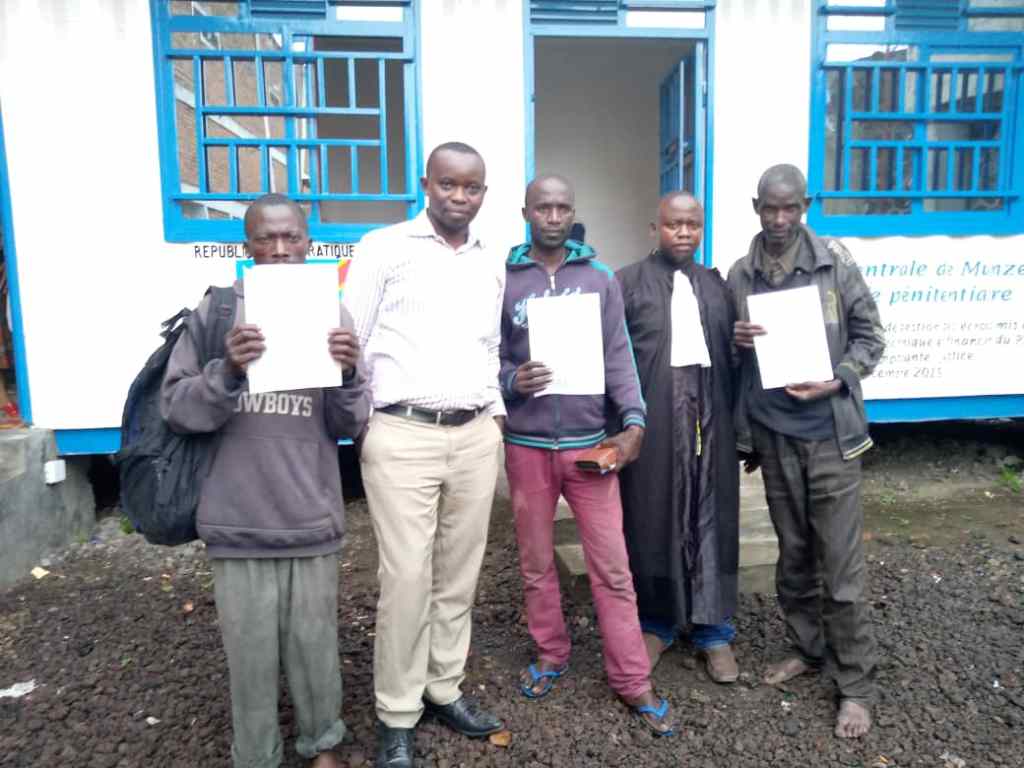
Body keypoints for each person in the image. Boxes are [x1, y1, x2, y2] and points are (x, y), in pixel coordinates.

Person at [161, 193, 370, 768]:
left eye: (290, 237)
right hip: (238, 519)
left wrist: (349, 374)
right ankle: (256, 755)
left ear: (309, 242)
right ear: (246, 245)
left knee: (315, 646)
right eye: (265, 238)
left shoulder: (333, 314)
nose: (279, 249)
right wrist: (228, 370)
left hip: (309, 515)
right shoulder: (218, 313)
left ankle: (323, 744)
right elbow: (177, 409)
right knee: (249, 658)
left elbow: (350, 423)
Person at [343, 142, 506, 768]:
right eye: (448, 184)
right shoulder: (383, 248)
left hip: (474, 435)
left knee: (458, 574)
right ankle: (397, 711)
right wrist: (365, 429)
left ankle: (443, 687)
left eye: (471, 187)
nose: (459, 197)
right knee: (407, 579)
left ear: (483, 193)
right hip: (402, 434)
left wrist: (495, 413)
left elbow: (490, 345)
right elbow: (350, 341)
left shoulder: (490, 259)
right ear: (426, 184)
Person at [499, 174, 674, 737]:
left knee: (612, 566)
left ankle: (631, 677)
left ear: (572, 212)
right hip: (527, 445)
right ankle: (551, 652)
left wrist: (634, 421)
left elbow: (619, 355)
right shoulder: (503, 280)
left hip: (588, 447)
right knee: (535, 562)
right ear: (526, 211)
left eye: (562, 207)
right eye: (543, 207)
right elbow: (487, 354)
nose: (553, 216)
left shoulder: (599, 279)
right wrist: (511, 380)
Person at [728, 164, 885, 739]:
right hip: (774, 436)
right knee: (793, 556)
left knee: (840, 569)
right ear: (756, 207)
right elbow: (734, 360)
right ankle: (807, 647)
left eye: (789, 207)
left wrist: (838, 378)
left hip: (829, 437)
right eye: (769, 208)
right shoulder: (741, 274)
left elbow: (871, 336)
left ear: (805, 206)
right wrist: (736, 340)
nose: (779, 218)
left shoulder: (834, 263)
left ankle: (856, 685)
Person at [616, 192, 741, 683]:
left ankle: (713, 628)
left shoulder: (717, 286)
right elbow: (612, 359)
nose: (684, 233)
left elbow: (735, 359)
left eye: (692, 225)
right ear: (655, 228)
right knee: (651, 516)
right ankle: (657, 622)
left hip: (712, 422)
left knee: (711, 514)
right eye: (673, 224)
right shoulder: (627, 284)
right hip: (653, 422)